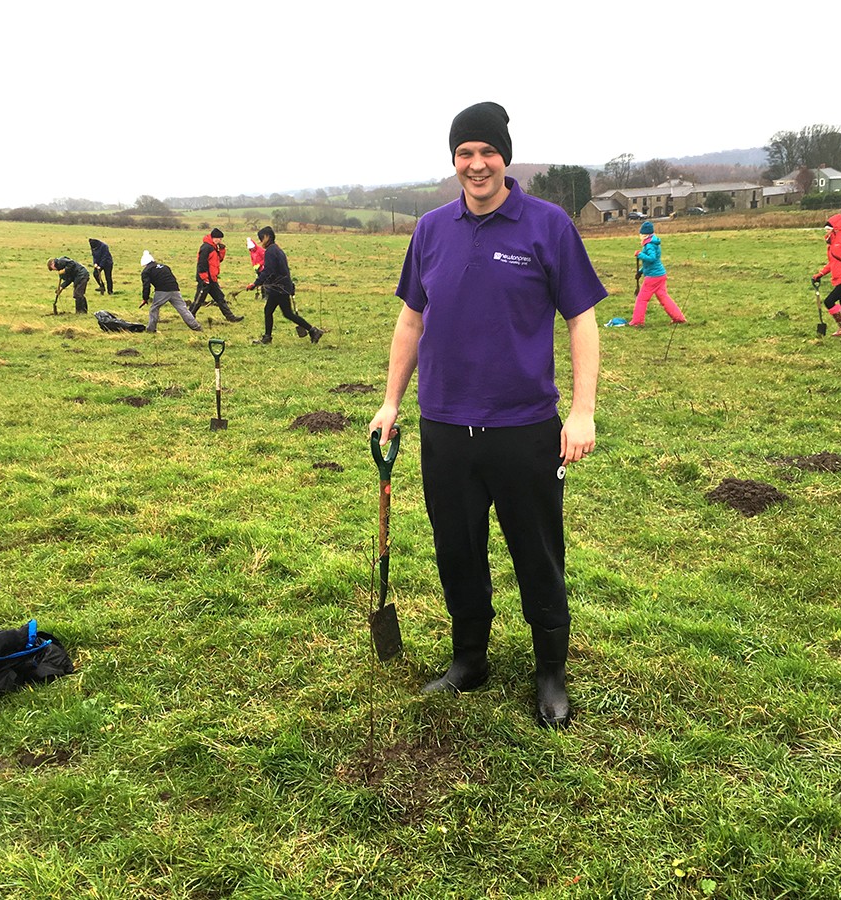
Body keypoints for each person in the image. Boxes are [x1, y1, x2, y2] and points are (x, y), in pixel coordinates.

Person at [367, 101, 605, 728]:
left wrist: (581, 412)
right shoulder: (431, 229)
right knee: (457, 548)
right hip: (445, 425)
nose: (476, 164)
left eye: (486, 152)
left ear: (505, 157)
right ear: (454, 161)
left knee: (537, 550)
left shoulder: (548, 226)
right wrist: (392, 401)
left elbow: (581, 318)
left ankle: (550, 668)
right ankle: (469, 658)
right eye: (464, 153)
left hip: (524, 428)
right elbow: (412, 318)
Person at [245, 226, 323, 345]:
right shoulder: (277, 249)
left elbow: (268, 271)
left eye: (261, 238)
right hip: (282, 286)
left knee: (273, 311)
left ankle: (268, 338)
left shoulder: (271, 252)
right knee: (284, 313)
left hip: (278, 288)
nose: (260, 242)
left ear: (267, 237)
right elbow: (284, 270)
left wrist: (255, 283)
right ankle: (312, 330)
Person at [812, 213, 841, 339]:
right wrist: (820, 274)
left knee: (829, 301)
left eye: (829, 227)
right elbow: (833, 262)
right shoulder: (831, 243)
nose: (826, 230)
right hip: (838, 278)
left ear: (836, 228)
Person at [630, 221, 685, 326]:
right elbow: (650, 264)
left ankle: (637, 321)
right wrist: (641, 272)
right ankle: (678, 318)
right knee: (664, 298)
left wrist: (640, 254)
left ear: (645, 235)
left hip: (653, 277)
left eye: (640, 234)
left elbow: (652, 259)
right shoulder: (653, 243)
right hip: (660, 275)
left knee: (642, 299)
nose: (639, 237)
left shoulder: (649, 245)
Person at [189, 228, 244, 323]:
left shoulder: (214, 248)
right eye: (220, 238)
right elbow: (201, 264)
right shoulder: (206, 248)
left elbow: (219, 260)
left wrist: (222, 250)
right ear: (215, 238)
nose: (220, 241)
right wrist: (204, 278)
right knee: (199, 299)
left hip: (212, 279)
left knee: (220, 298)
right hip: (205, 279)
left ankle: (230, 317)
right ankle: (189, 317)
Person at [139, 250, 202, 333]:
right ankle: (196, 327)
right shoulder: (164, 266)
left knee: (154, 308)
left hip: (162, 291)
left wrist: (145, 298)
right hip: (175, 289)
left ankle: (151, 329)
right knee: (183, 309)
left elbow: (146, 286)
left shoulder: (146, 271)